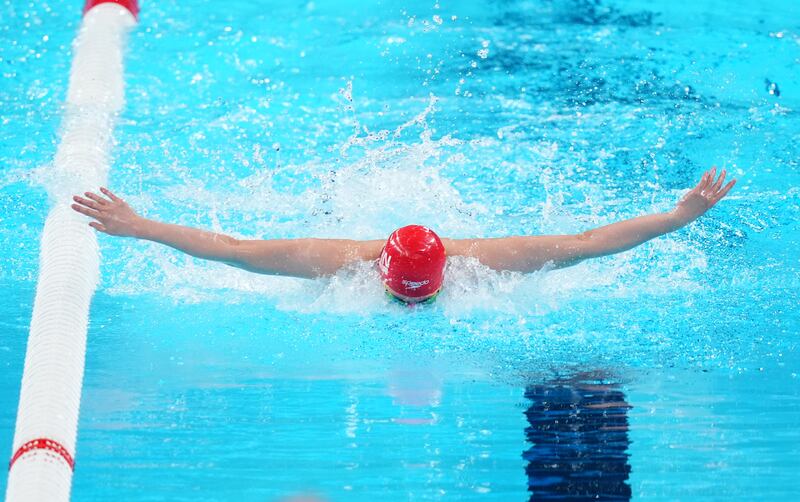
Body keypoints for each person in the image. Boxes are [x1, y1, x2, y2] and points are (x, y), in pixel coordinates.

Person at [71, 168, 735, 304]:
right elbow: (236, 250)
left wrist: (677, 219)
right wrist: (141, 227)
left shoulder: (487, 263)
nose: (414, 299)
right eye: (407, 291)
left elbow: (590, 241)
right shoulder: (338, 264)